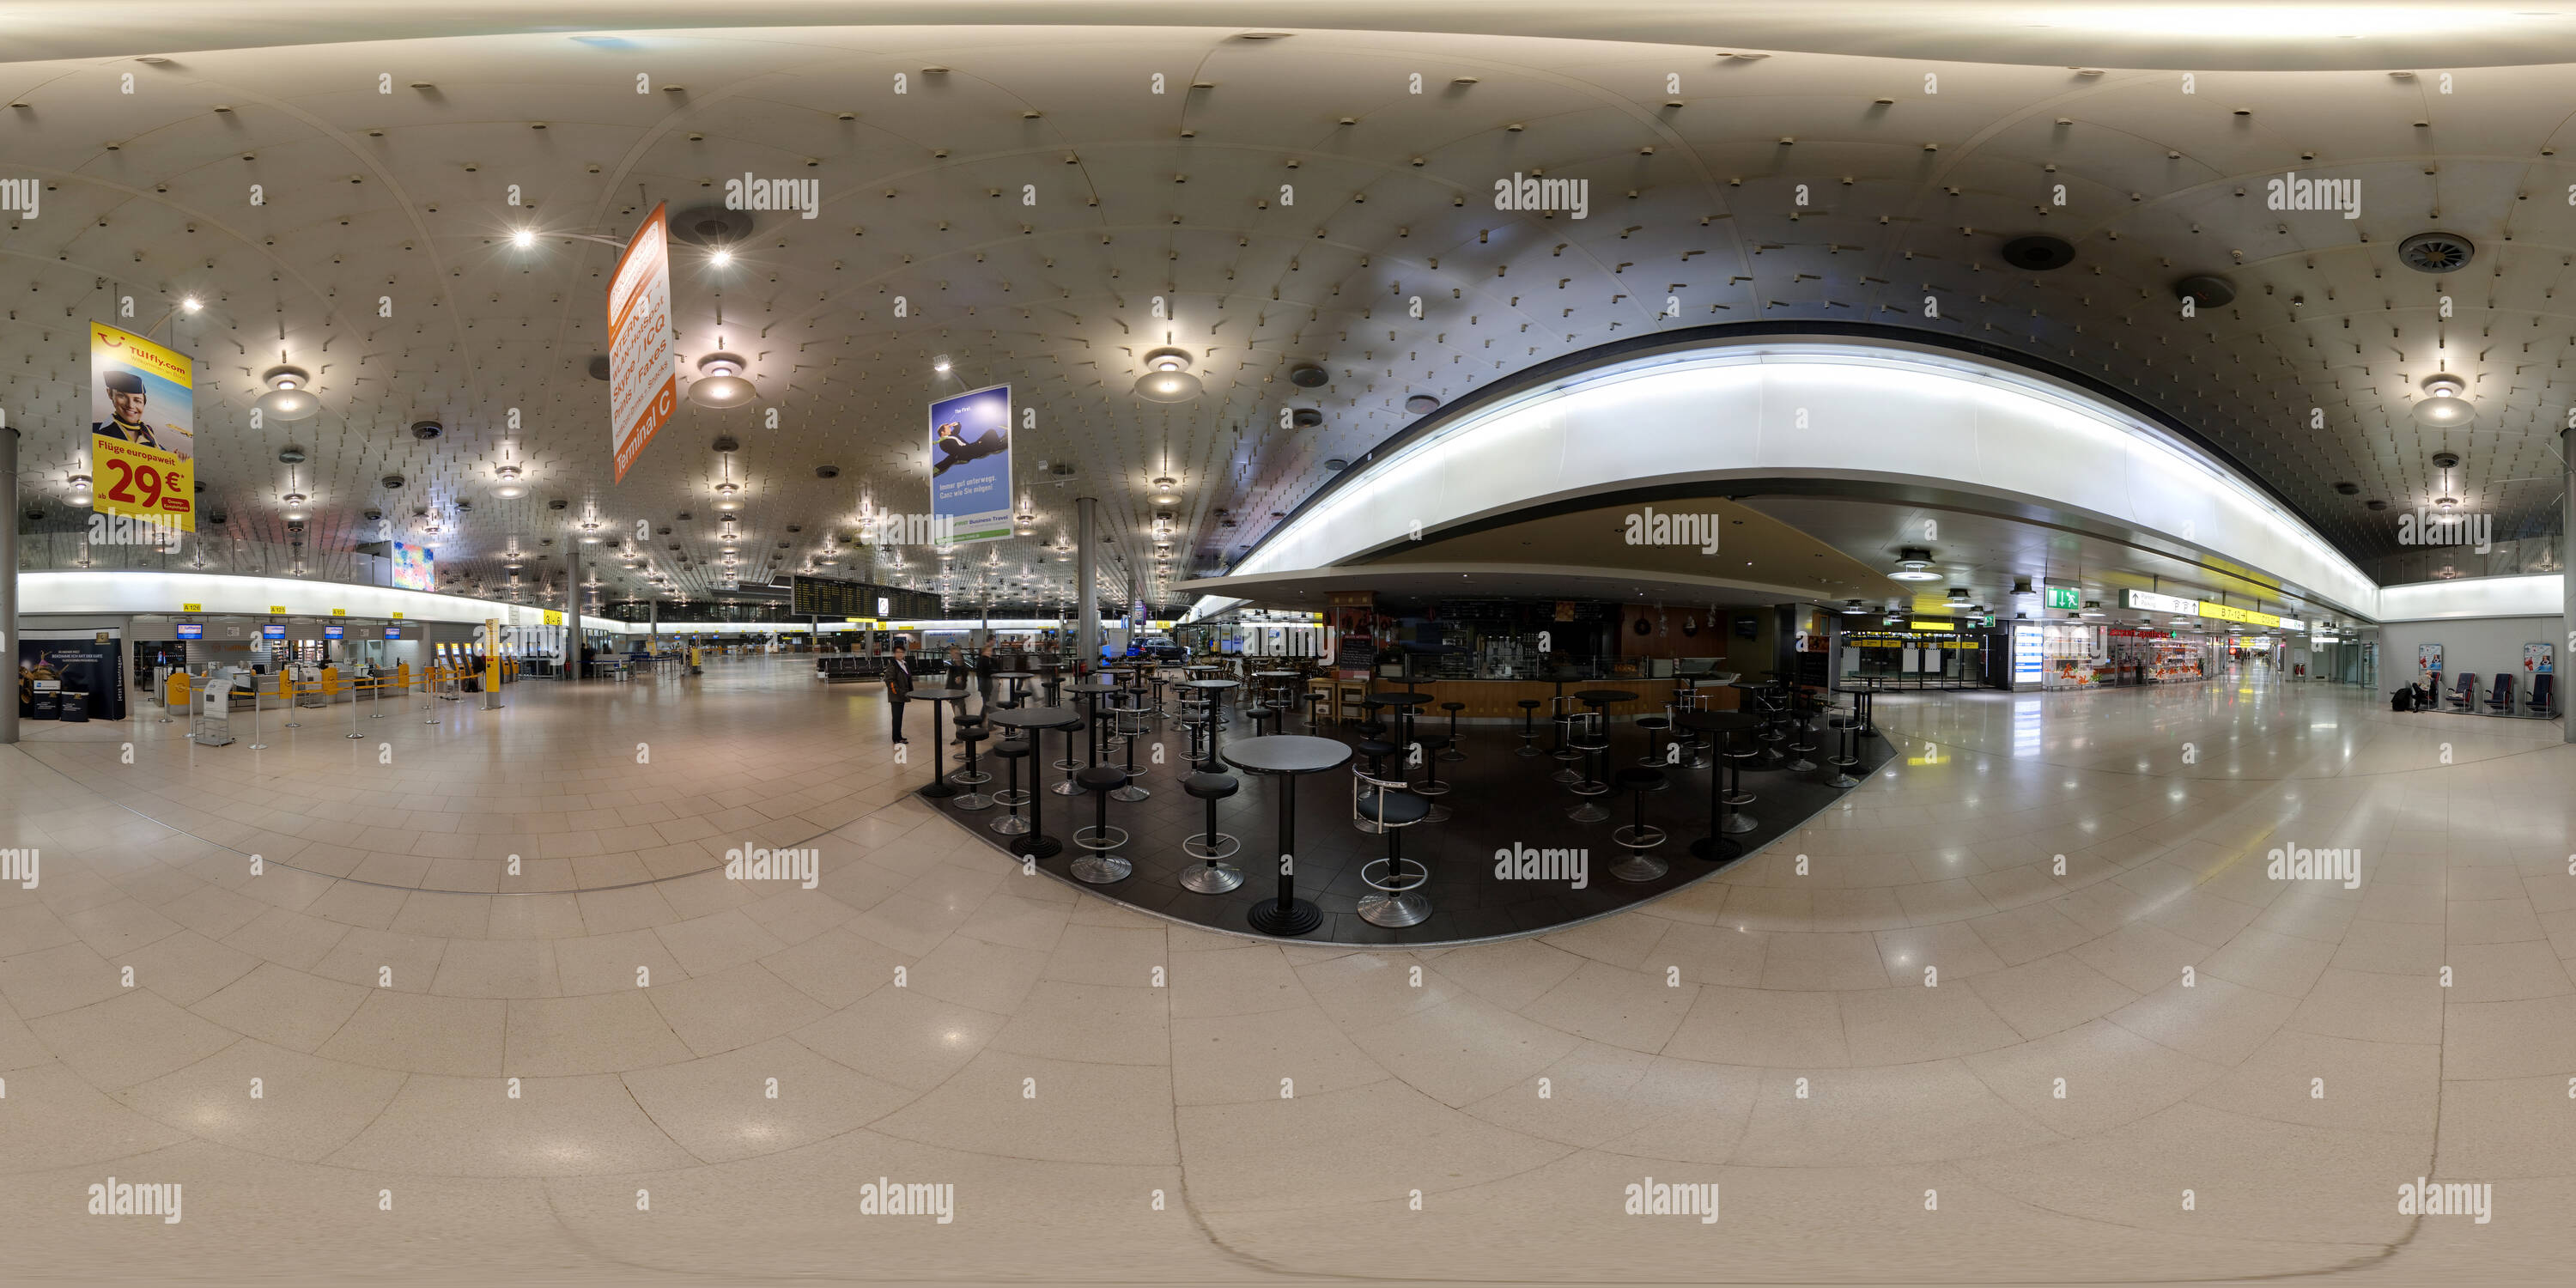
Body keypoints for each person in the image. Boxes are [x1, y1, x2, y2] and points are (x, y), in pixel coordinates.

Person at [884, 639, 914, 744]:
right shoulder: (893, 665)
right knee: (896, 717)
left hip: (903, 695)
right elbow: (889, 681)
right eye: (898, 652)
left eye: (902, 652)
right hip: (896, 696)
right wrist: (898, 692)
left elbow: (908, 678)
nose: (900, 654)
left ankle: (899, 735)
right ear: (894, 654)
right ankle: (896, 738)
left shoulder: (904, 664)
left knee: (899, 717)